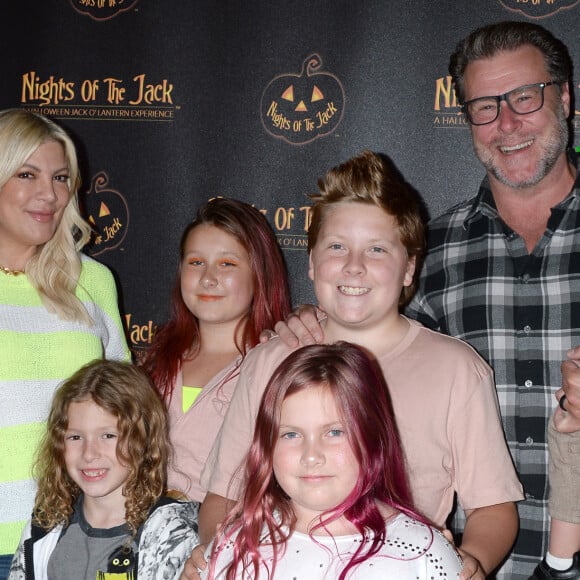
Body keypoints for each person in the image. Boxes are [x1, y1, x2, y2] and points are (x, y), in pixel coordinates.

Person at [272, 21, 580, 580]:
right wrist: (308, 320)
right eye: (483, 106)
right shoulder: (436, 250)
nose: (506, 123)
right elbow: (371, 342)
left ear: (564, 97)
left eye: (524, 98)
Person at [183, 150, 523, 580]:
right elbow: (222, 498)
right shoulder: (268, 362)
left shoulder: (458, 370)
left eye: (377, 249)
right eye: (337, 246)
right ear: (311, 260)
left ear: (409, 269)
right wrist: (219, 549)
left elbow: (493, 505)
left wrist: (471, 560)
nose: (354, 266)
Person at [203, 342, 463, 579]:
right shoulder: (234, 546)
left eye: (335, 432)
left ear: (372, 438)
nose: (312, 455)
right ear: (266, 445)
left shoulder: (422, 553)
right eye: (291, 434)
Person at [0, 108, 130, 578]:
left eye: (60, 177)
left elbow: (126, 411)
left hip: (69, 541)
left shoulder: (91, 280)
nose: (49, 194)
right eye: (27, 174)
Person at [141, 198, 291, 507]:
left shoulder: (277, 363)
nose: (208, 278)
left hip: (221, 541)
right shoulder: (154, 361)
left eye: (227, 264)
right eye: (196, 262)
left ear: (259, 274)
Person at [8, 359, 199, 579]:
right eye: (75, 437)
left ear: (142, 439)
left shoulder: (171, 533)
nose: (89, 453)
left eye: (108, 435)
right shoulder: (44, 528)